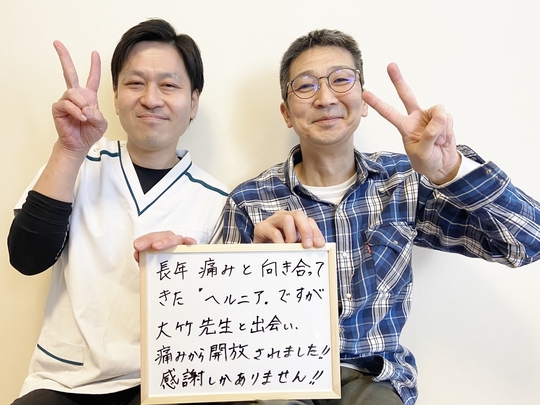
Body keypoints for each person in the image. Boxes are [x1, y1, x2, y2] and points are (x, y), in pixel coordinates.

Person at [221, 29, 540, 405]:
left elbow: (527, 242)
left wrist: (450, 169)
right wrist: (252, 265)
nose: (325, 98)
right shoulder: (249, 201)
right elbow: (217, 329)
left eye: (341, 80)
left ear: (363, 100)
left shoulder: (404, 183)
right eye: (305, 86)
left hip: (374, 379)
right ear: (286, 113)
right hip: (279, 378)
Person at [7, 18, 228, 404]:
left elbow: (219, 318)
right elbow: (27, 258)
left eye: (169, 85)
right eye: (135, 83)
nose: (151, 99)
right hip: (65, 382)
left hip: (166, 383)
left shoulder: (219, 200)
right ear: (114, 95)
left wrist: (183, 266)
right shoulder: (77, 161)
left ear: (193, 102)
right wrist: (69, 150)